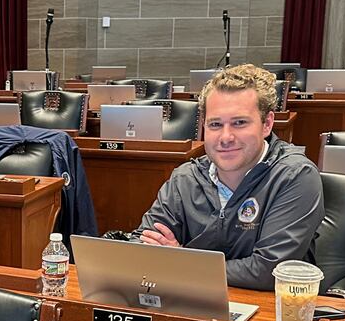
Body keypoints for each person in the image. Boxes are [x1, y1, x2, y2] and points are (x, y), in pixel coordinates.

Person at [131, 64, 324, 290]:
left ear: (267, 124)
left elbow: (268, 270)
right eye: (215, 124)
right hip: (192, 304)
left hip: (270, 314)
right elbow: (141, 245)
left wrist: (181, 263)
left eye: (239, 123)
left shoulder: (295, 176)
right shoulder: (185, 179)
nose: (225, 137)